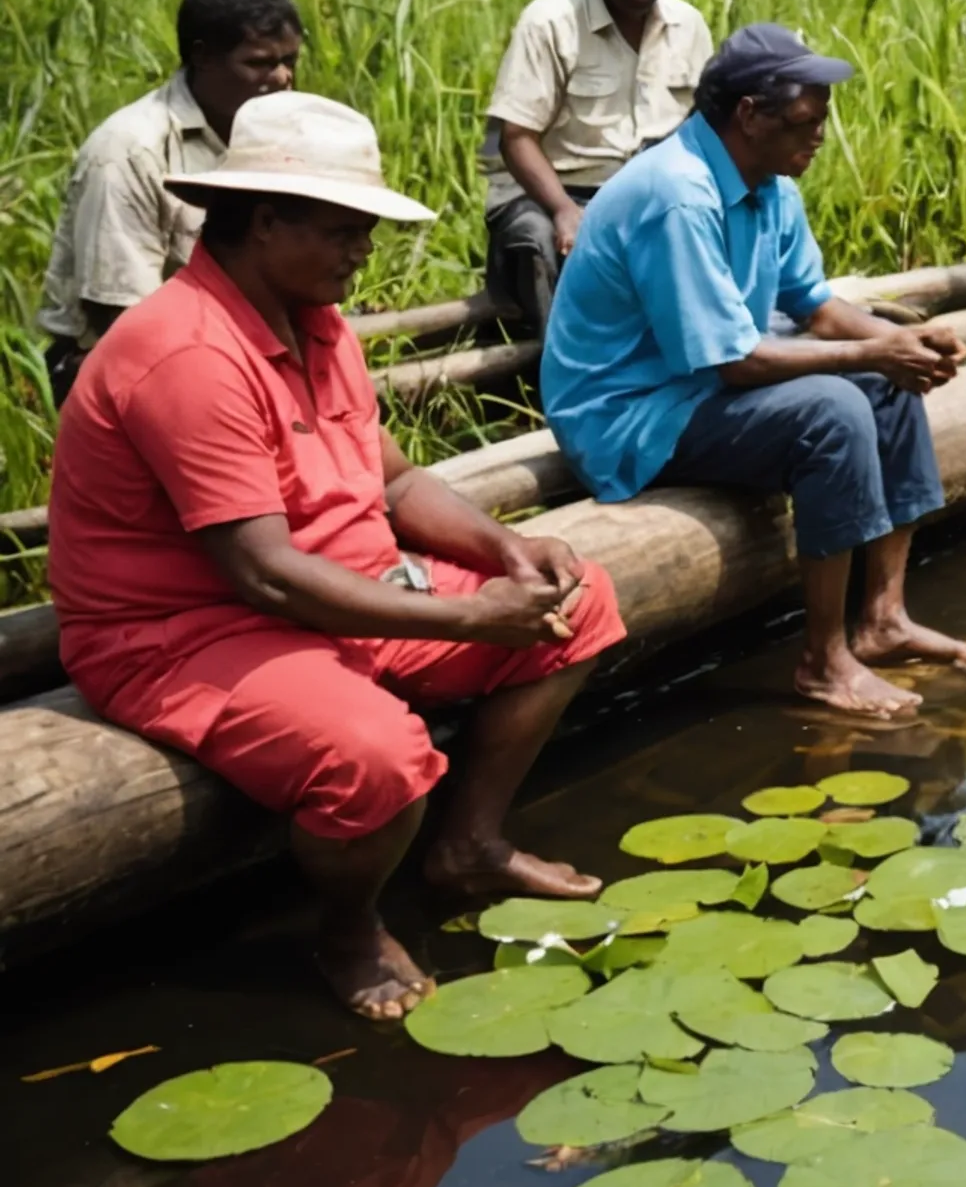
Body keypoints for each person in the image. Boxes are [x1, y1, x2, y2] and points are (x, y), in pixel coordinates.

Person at [48, 91, 623, 1019]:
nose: (363, 250)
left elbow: (393, 484)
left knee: (578, 599)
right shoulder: (186, 352)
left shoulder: (314, 322)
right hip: (188, 632)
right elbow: (262, 572)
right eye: (345, 229)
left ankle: (467, 843)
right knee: (377, 757)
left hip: (337, 591)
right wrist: (469, 614)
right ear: (265, 220)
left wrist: (507, 549)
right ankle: (348, 927)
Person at [542, 23, 966, 721]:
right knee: (834, 410)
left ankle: (882, 619)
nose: (817, 137)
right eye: (804, 123)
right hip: (630, 416)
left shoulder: (769, 180)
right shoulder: (678, 194)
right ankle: (823, 661)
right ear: (748, 115)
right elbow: (735, 361)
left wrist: (906, 341)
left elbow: (814, 306)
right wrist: (876, 352)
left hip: (697, 386)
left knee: (887, 383)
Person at [36, 0, 304, 403]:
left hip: (235, 346)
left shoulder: (271, 129)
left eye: (289, 61)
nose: (281, 78)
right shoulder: (129, 152)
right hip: (124, 366)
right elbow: (123, 322)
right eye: (259, 62)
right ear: (202, 57)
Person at [480, 0, 715, 335]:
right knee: (542, 245)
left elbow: (700, 128)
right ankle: (567, 381)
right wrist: (565, 210)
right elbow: (516, 138)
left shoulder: (688, 25)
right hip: (553, 190)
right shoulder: (550, 22)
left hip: (647, 190)